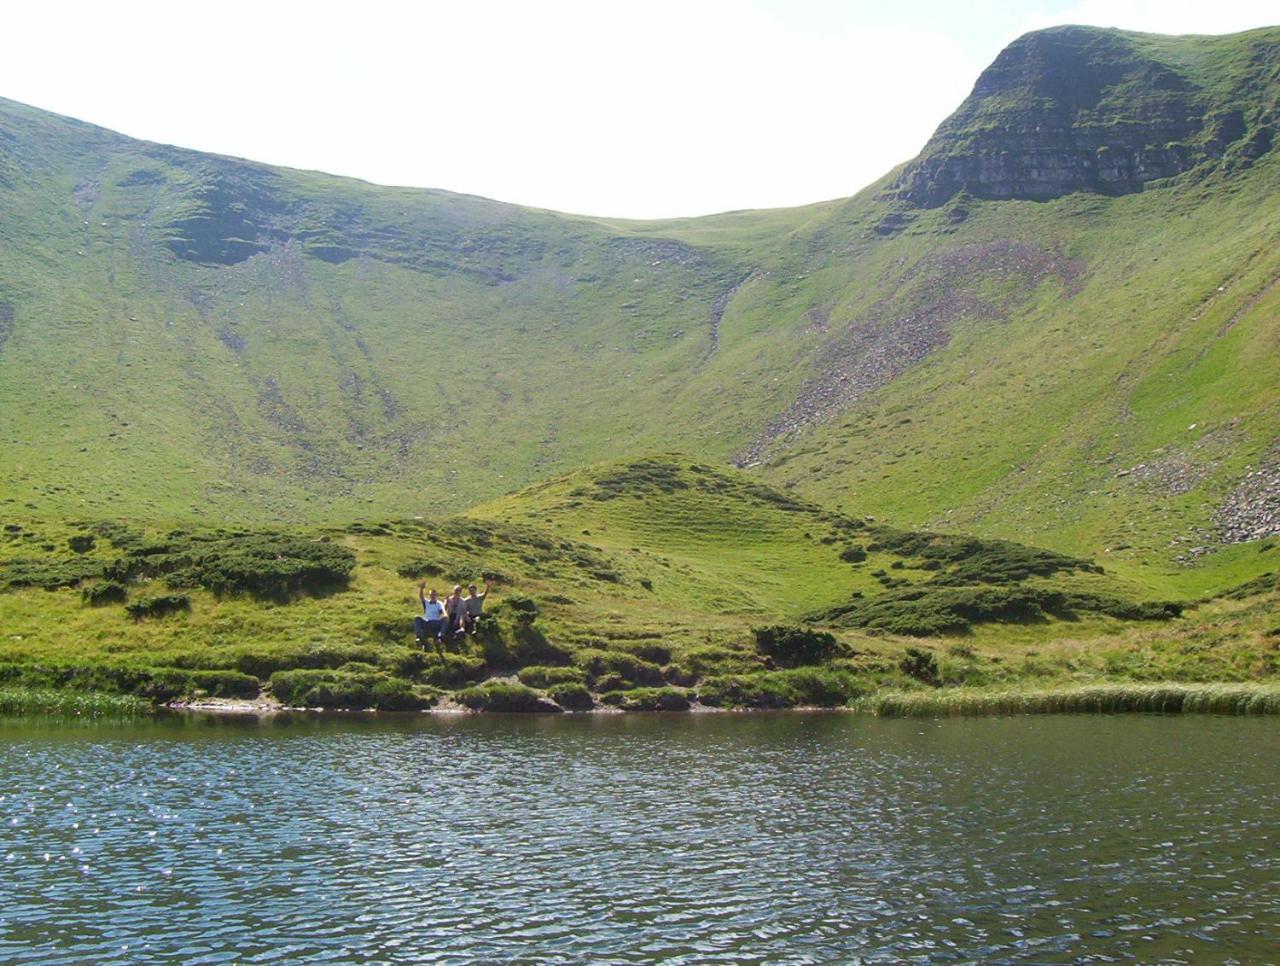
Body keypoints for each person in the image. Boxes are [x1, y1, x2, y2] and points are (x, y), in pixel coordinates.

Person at [414, 582, 447, 650]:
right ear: (429, 595)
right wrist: (421, 589)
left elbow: (443, 609)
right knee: (417, 618)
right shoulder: (426, 602)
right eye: (431, 595)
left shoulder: (439, 603)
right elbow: (421, 597)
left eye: (434, 595)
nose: (432, 596)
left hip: (435, 622)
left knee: (445, 619)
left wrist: (445, 614)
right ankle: (419, 636)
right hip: (427, 621)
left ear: (436, 595)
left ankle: (440, 636)